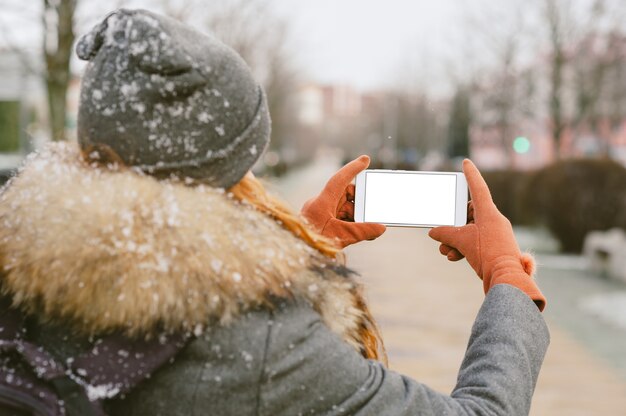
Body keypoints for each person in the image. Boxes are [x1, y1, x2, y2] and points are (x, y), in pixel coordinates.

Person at [0, 8, 548, 416]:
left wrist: (301, 244)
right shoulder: (259, 342)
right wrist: (510, 285)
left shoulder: (19, 263)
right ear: (227, 170)